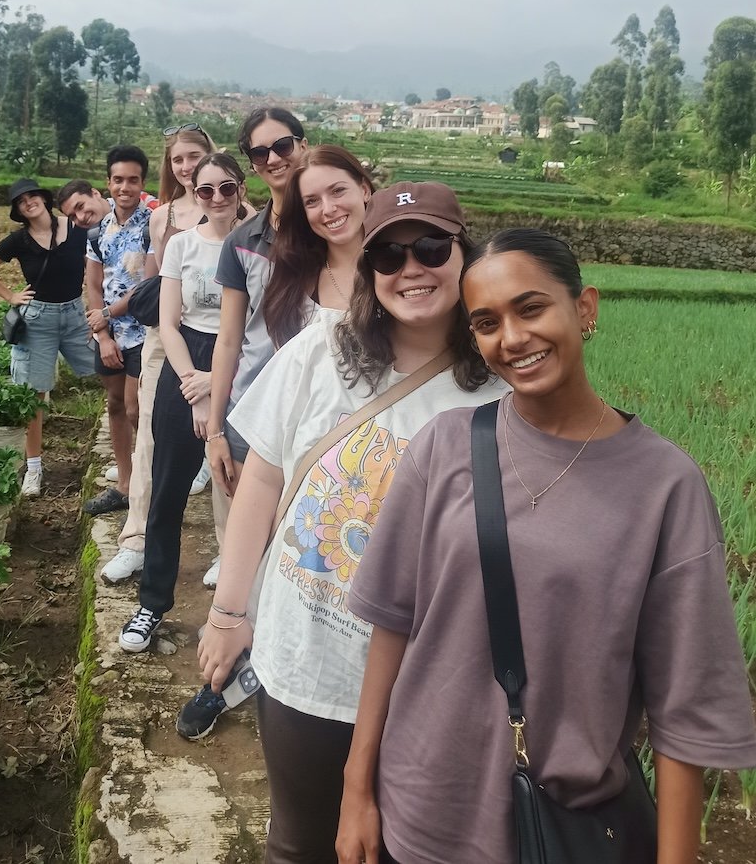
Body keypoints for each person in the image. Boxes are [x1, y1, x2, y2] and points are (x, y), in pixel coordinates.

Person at [339, 228, 756, 864]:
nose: (511, 339)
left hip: (565, 823)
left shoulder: (665, 486)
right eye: (485, 322)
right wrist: (355, 790)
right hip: (422, 808)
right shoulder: (444, 447)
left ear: (584, 309)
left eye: (531, 308)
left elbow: (685, 707)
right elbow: (393, 627)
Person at [196, 184, 505, 864]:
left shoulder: (500, 386)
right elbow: (265, 481)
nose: (411, 269)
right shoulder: (321, 351)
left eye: (431, 247)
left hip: (428, 679)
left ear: (463, 255)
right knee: (300, 843)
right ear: (368, 271)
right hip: (308, 655)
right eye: (388, 256)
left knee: (406, 847)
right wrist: (228, 612)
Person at [176, 106, 309, 738]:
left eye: (282, 145)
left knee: (307, 547)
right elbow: (229, 341)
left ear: (302, 145)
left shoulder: (334, 232)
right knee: (245, 545)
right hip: (256, 417)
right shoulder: (245, 245)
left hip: (328, 423)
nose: (273, 158)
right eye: (259, 153)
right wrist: (220, 425)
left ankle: (277, 671)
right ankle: (227, 676)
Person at [119, 153, 251, 651]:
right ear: (193, 194)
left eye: (227, 188)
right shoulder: (182, 247)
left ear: (241, 190)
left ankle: (238, 616)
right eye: (206, 190)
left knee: (243, 496)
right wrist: (194, 383)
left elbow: (253, 328)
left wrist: (216, 384)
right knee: (168, 492)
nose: (217, 198)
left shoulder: (259, 247)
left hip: (242, 366)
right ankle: (151, 604)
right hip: (186, 363)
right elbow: (169, 323)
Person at [100, 124, 218, 585]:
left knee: (224, 439)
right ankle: (135, 539)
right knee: (148, 438)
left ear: (212, 156)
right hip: (163, 339)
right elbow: (151, 286)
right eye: (178, 160)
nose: (187, 167)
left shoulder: (241, 212)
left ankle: (228, 552)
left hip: (219, 340)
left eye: (194, 156)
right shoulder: (162, 217)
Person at [0, 178, 97, 498]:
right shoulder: (19, 241)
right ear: (18, 210)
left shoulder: (76, 227)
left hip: (75, 315)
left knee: (106, 372)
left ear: (43, 198)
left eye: (33, 196)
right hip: (37, 319)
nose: (29, 202)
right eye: (21, 201)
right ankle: (34, 468)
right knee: (33, 397)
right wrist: (10, 295)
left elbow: (96, 262)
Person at [83, 145, 152, 517]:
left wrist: (108, 315)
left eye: (132, 180)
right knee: (113, 405)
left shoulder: (152, 225)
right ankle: (124, 484)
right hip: (108, 332)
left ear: (143, 183)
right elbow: (93, 283)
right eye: (118, 179)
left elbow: (149, 284)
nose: (124, 187)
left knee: (136, 408)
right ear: (108, 182)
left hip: (144, 333)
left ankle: (147, 484)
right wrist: (104, 334)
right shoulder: (97, 231)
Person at [263, 144, 376, 349]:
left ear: (364, 190)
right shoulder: (294, 282)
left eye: (338, 191)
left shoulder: (400, 266)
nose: (328, 209)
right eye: (312, 201)